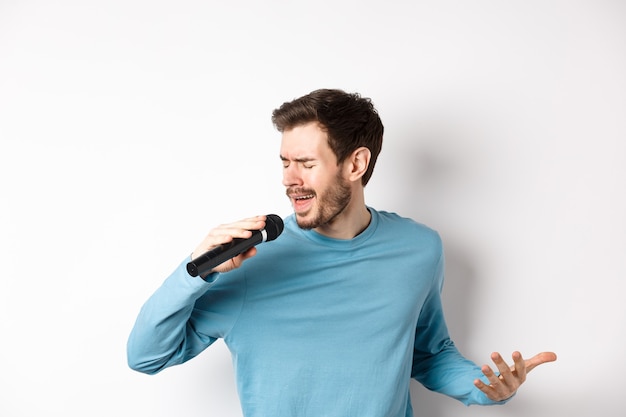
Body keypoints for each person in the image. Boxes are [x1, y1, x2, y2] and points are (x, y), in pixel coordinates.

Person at [127, 89, 556, 416]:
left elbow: (428, 353)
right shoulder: (248, 262)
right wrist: (193, 273)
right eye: (284, 162)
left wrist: (482, 386)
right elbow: (146, 357)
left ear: (355, 164)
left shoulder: (419, 249)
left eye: (306, 164)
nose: (289, 179)